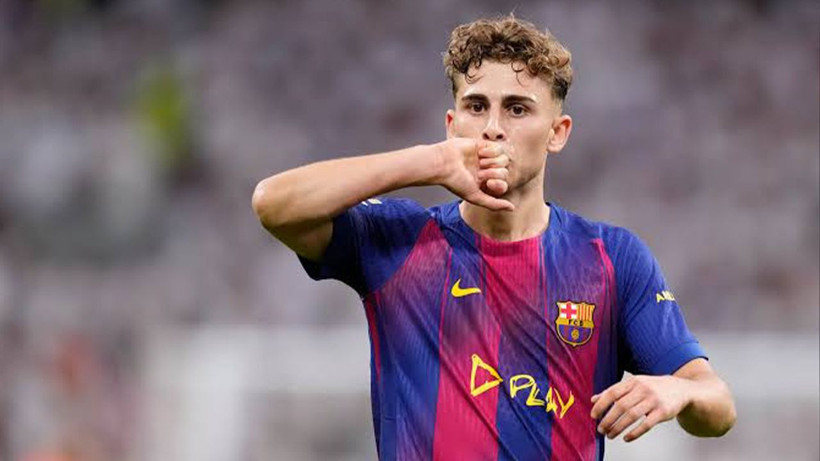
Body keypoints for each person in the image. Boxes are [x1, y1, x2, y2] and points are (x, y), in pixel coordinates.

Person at [252, 15, 736, 461]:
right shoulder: (400, 241)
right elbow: (273, 204)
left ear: (557, 133)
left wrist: (679, 390)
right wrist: (428, 162)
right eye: (476, 106)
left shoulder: (612, 259)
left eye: (517, 109)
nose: (492, 129)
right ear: (452, 125)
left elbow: (717, 408)